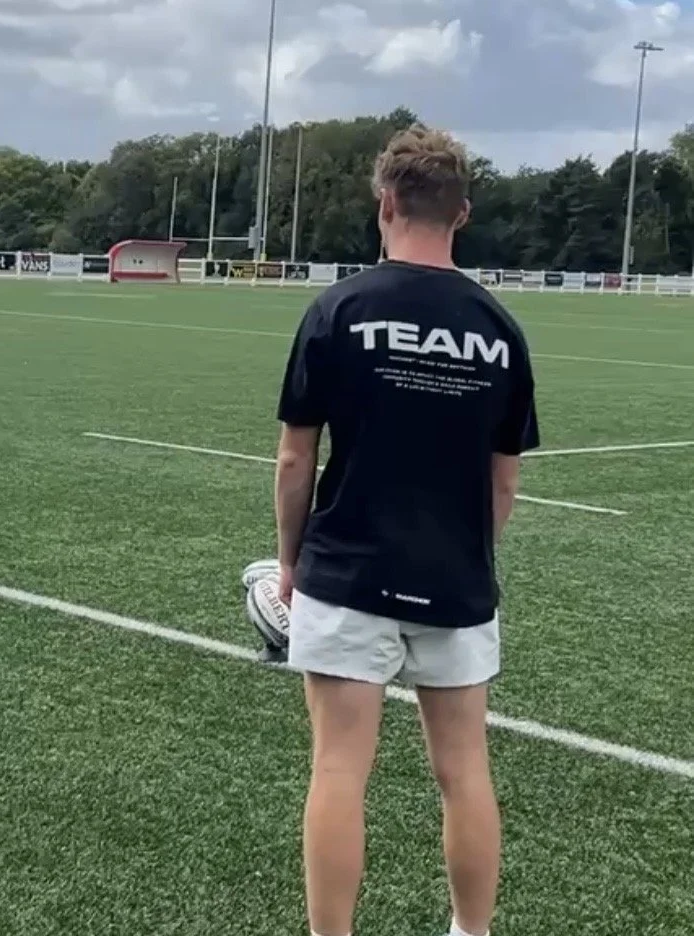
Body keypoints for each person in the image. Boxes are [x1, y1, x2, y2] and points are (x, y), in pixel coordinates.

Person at [274, 125, 539, 936]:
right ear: (460, 213)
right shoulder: (497, 328)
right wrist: (469, 556)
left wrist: (290, 564)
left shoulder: (340, 308)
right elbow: (504, 480)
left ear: (385, 203)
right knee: (464, 774)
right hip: (458, 583)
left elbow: (295, 459)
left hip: (347, 575)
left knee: (340, 770)